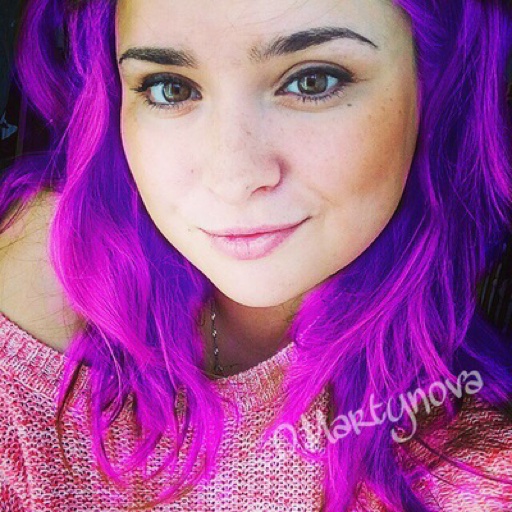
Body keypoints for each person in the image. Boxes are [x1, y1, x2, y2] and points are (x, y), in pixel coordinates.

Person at [0, 0, 511, 510]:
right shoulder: (48, 269)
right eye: (170, 88)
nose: (232, 179)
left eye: (313, 81)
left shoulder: (467, 462)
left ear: (435, 88)